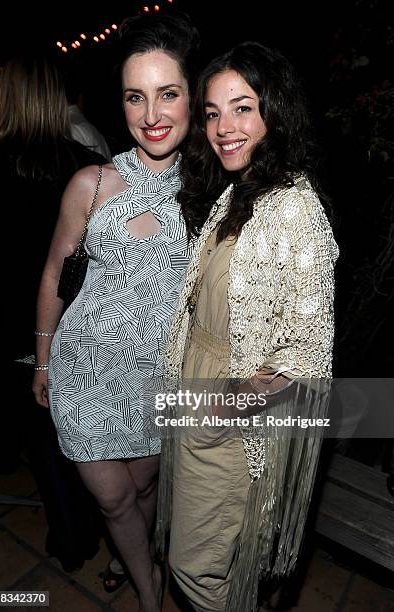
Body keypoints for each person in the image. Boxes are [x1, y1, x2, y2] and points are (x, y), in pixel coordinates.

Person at [156, 41, 339, 612]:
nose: (223, 127)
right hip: (197, 394)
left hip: (234, 421)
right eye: (212, 112)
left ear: (273, 113)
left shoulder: (295, 207)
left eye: (242, 107)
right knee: (205, 560)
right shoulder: (240, 191)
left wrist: (222, 414)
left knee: (199, 567)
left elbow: (306, 350)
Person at [33, 13, 199, 612]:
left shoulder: (211, 194)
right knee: (112, 498)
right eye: (136, 97)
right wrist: (43, 359)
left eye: (168, 94)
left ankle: (136, 555)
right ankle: (148, 592)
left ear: (192, 99)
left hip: (158, 377)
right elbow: (55, 272)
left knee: (147, 484)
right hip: (84, 374)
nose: (152, 114)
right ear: (121, 104)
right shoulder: (92, 184)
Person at [0, 55, 107, 568]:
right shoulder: (85, 163)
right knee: (75, 437)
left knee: (44, 442)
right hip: (78, 321)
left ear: (11, 97)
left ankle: (72, 540)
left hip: (15, 323)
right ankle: (89, 529)